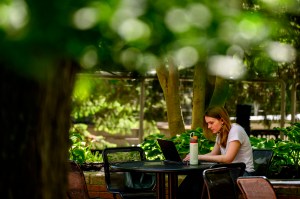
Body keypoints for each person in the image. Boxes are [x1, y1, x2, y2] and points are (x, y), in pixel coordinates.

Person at [177, 106, 255, 199]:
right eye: (207, 123)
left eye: (211, 123)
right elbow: (213, 154)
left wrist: (199, 157)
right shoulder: (221, 133)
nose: (209, 126)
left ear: (222, 120)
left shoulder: (235, 130)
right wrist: (193, 157)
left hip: (243, 174)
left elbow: (227, 158)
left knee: (201, 179)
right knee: (195, 176)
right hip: (230, 171)